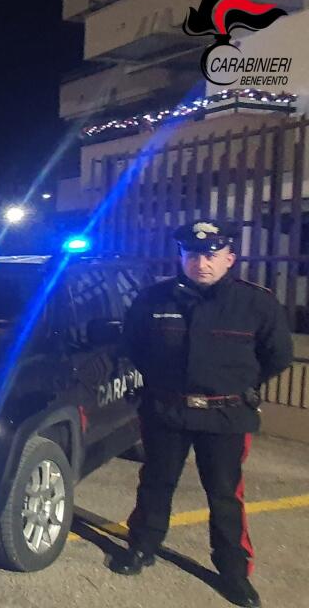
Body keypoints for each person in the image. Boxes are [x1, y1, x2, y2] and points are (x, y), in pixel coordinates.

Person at [110, 220, 293, 608]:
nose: (201, 263)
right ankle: (142, 547)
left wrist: (236, 384)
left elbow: (277, 356)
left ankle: (233, 572)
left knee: (226, 496)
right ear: (181, 256)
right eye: (192, 255)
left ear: (230, 258)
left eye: (211, 255)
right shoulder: (154, 299)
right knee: (155, 484)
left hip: (226, 415)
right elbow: (134, 346)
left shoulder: (256, 303)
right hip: (166, 410)